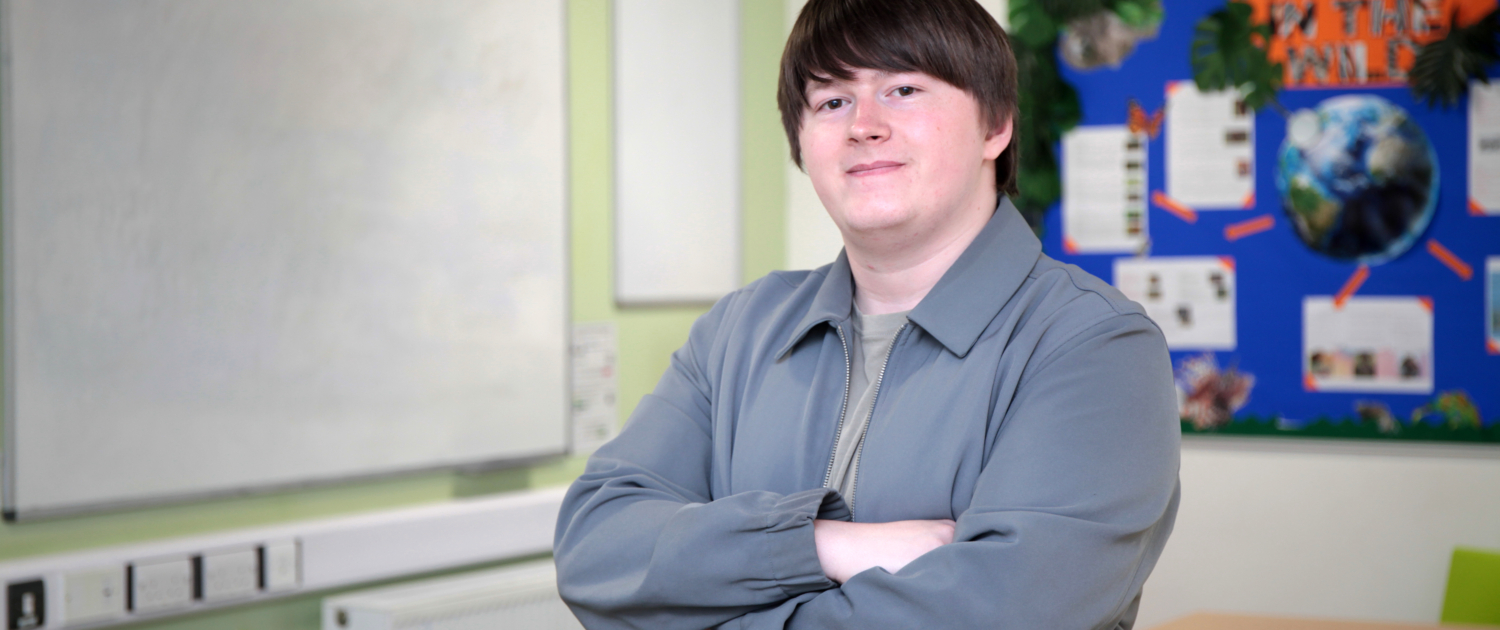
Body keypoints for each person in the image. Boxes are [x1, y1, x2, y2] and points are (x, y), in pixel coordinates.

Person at [553, 0, 1181, 627]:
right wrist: (818, 543)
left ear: (996, 126)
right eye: (832, 101)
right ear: (802, 144)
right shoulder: (739, 331)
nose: (864, 125)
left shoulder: (1094, 346)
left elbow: (999, 612)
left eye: (903, 89)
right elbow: (595, 549)